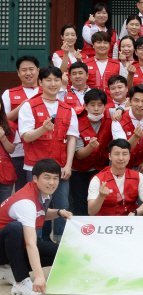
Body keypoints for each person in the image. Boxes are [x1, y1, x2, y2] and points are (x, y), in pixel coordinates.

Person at [19, 66, 78, 242]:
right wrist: (43, 129)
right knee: (37, 206)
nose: (53, 84)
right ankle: (36, 243)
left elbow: (72, 138)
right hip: (35, 166)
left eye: (56, 80)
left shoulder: (68, 109)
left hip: (60, 166)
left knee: (62, 205)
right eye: (48, 80)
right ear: (40, 82)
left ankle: (61, 242)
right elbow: (26, 136)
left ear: (61, 82)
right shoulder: (29, 106)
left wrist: (68, 165)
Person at [0, 158, 71, 295]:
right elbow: (31, 243)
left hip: (11, 247)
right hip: (3, 246)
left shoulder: (43, 193)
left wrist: (58, 212)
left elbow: (39, 213)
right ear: (35, 178)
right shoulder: (26, 202)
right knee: (15, 228)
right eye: (47, 178)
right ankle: (21, 281)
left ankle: (8, 268)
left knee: (61, 252)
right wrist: (39, 277)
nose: (51, 182)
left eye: (55, 178)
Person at [111, 85, 143, 190]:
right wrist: (135, 137)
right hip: (121, 164)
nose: (140, 105)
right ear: (129, 101)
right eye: (136, 100)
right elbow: (122, 149)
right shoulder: (118, 120)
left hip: (142, 164)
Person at [87, 139, 143, 216]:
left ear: (129, 156)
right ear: (110, 156)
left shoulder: (137, 176)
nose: (121, 158)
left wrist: (134, 212)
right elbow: (91, 212)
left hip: (129, 218)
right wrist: (101, 196)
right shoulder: (97, 179)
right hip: (107, 220)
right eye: (116, 154)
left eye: (124, 154)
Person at [2, 56, 41, 192]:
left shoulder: (46, 91)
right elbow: (3, 119)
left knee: (40, 190)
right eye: (24, 70)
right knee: (21, 189)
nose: (28, 73)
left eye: (31, 69)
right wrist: (21, 107)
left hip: (41, 148)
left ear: (38, 70)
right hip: (17, 150)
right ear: (18, 73)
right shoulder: (9, 93)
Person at [72, 89, 112, 216]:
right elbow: (79, 154)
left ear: (105, 106)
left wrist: (121, 110)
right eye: (92, 105)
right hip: (79, 171)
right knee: (81, 204)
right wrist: (90, 147)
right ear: (85, 106)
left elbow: (125, 107)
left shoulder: (110, 117)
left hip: (100, 169)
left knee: (100, 202)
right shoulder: (76, 121)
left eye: (100, 105)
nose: (96, 109)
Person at [85, 31, 127, 98]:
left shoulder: (118, 64)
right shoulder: (85, 64)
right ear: (93, 45)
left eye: (105, 43)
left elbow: (123, 85)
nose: (102, 45)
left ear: (110, 45)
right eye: (99, 42)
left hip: (112, 103)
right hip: (91, 102)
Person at [0, 97, 18, 204]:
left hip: (6, 172)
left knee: (4, 208)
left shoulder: (10, 125)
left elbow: (11, 150)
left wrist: (3, 138)